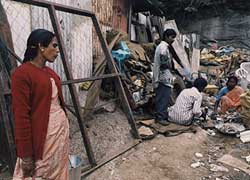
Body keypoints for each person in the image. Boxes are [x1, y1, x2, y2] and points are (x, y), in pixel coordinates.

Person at [11, 29, 69, 179]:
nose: (57, 51)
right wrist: (26, 154)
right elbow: (21, 116)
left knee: (57, 171)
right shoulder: (22, 74)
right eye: (54, 46)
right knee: (38, 173)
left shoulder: (49, 72)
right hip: (42, 139)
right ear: (41, 47)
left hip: (58, 137)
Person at [153, 28, 184, 125]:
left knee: (165, 97)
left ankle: (162, 116)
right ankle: (160, 118)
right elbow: (163, 61)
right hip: (163, 76)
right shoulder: (163, 47)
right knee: (162, 97)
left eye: (174, 37)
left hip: (165, 76)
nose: (173, 40)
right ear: (166, 37)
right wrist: (170, 66)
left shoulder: (165, 46)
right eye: (172, 37)